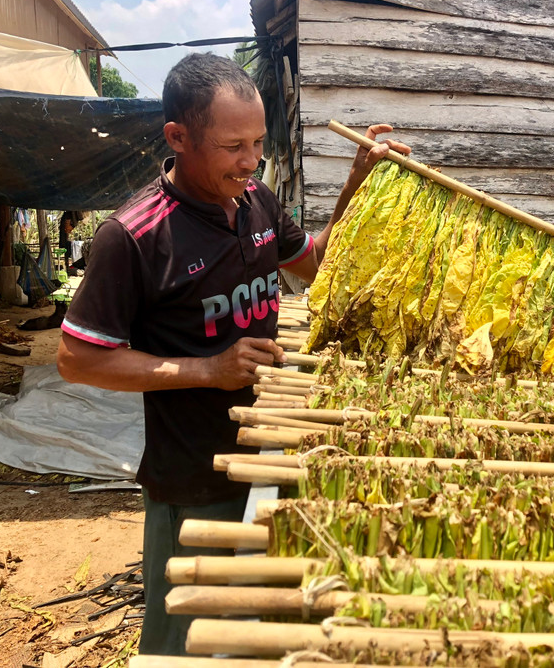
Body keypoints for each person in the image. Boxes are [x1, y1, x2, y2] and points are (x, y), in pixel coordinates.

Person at [56, 52, 410, 655]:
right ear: (178, 137)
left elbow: (315, 264)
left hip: (275, 454)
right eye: (231, 147)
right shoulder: (135, 236)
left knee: (258, 628)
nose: (250, 162)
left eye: (258, 143)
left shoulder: (257, 202)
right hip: (196, 478)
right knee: (185, 642)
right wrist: (206, 370)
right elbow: (77, 358)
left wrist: (356, 184)